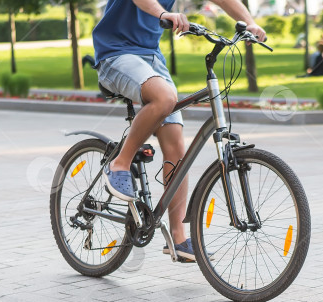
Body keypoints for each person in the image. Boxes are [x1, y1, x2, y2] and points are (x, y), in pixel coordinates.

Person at [92, 0, 266, 262]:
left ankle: (179, 237)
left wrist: (249, 21)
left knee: (175, 145)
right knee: (165, 98)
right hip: (116, 54)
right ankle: (120, 163)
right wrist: (164, 13)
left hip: (150, 56)